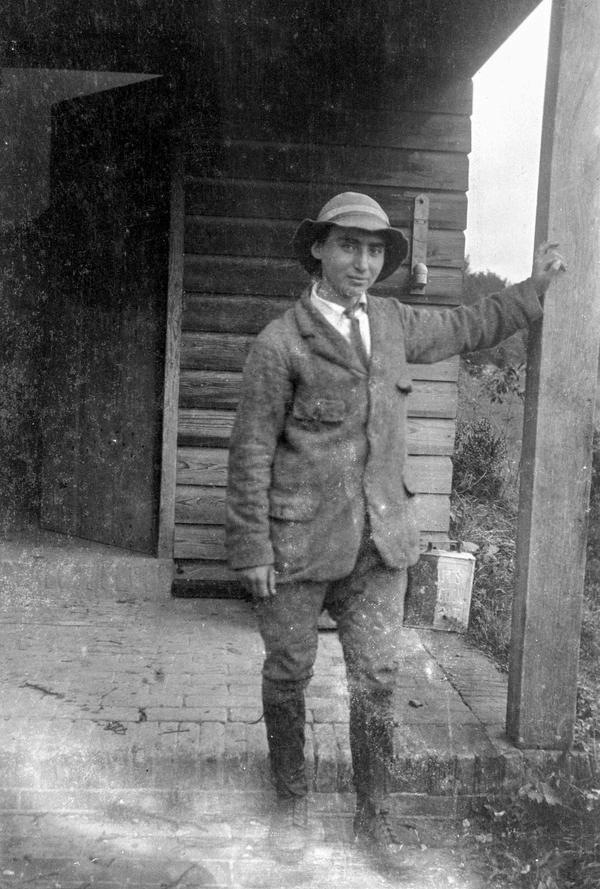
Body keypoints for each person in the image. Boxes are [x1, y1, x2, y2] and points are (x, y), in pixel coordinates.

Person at [225, 192, 565, 864]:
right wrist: (252, 548)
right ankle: (289, 809)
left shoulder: (393, 321)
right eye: (349, 246)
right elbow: (250, 453)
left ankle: (373, 821)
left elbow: (470, 324)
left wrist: (534, 291)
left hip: (381, 546)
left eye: (375, 250)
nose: (363, 262)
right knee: (288, 674)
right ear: (318, 248)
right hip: (297, 546)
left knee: (377, 680)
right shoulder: (280, 342)